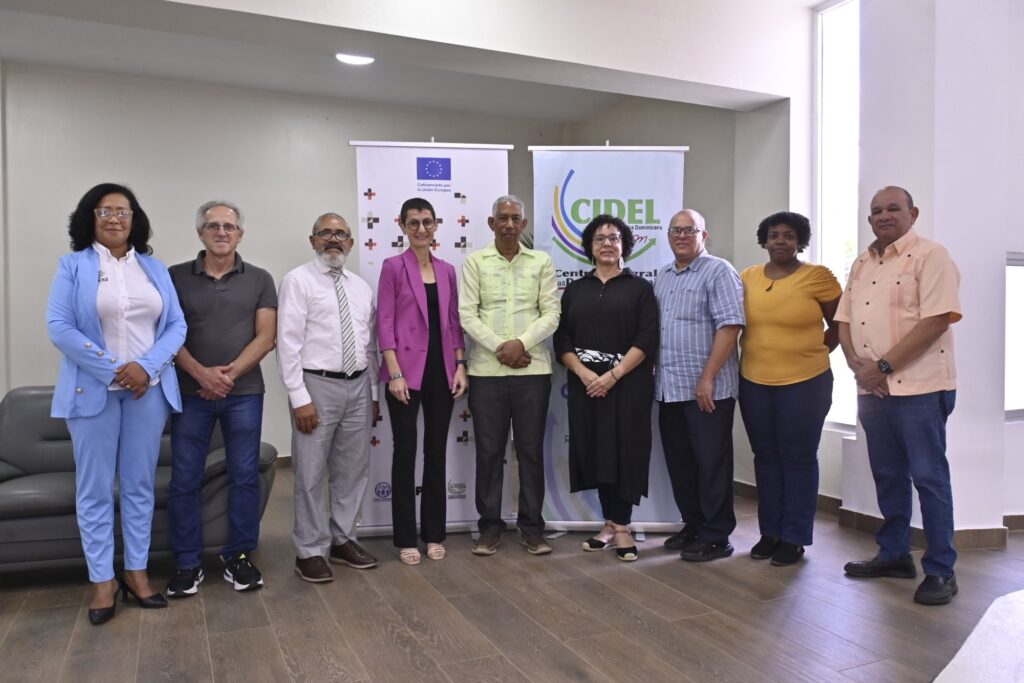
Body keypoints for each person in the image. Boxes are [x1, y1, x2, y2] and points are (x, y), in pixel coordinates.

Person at [46, 183, 186, 625]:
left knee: (140, 485)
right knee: (95, 490)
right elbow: (60, 327)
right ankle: (103, 581)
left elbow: (176, 325)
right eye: (104, 211)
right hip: (93, 394)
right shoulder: (73, 265)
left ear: (134, 219)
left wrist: (144, 367)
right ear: (90, 217)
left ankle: (137, 574)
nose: (113, 218)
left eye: (122, 212)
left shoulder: (154, 268)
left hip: (149, 392)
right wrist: (115, 369)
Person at [836, 186, 962, 605]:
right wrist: (859, 368)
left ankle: (942, 570)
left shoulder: (931, 255)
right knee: (888, 474)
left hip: (921, 387)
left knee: (929, 477)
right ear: (869, 220)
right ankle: (894, 554)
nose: (884, 215)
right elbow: (844, 320)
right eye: (876, 211)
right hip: (872, 390)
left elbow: (936, 321)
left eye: (893, 208)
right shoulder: (861, 262)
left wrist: (882, 367)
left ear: (913, 213)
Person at [166, 200, 277, 597]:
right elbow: (166, 336)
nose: (221, 232)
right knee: (184, 479)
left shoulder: (260, 278)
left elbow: (266, 337)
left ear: (240, 234)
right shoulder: (174, 277)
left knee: (245, 476)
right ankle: (187, 563)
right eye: (212, 226)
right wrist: (201, 374)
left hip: (243, 393)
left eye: (229, 226)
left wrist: (227, 375)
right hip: (189, 393)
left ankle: (239, 558)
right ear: (200, 233)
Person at [277, 212, 380, 582]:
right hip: (316, 386)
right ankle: (309, 549)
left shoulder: (361, 287)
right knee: (309, 472)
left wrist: (372, 391)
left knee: (353, 470)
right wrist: (298, 396)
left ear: (350, 243)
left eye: (341, 234)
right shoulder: (298, 281)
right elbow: (287, 343)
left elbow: (369, 347)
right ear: (313, 240)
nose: (333, 239)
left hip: (358, 385)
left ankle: (342, 539)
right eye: (325, 233)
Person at [737, 211, 842, 566]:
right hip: (754, 382)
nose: (780, 241)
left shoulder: (818, 277)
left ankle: (794, 537)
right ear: (763, 240)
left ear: (800, 241)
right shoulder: (748, 277)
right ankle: (771, 532)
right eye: (773, 235)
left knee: (797, 458)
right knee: (765, 457)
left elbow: (840, 323)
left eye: (788, 235)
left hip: (805, 383)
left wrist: (813, 352)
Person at [459, 194, 560, 556]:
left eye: (515, 218)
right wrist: (503, 348)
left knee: (530, 450)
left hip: (533, 370)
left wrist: (520, 343)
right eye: (502, 218)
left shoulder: (541, 262)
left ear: (524, 224)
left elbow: (551, 313)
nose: (509, 224)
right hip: (487, 371)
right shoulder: (475, 262)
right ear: (491, 223)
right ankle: (489, 527)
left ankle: (533, 527)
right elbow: (467, 315)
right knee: (488, 451)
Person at [554, 216, 658, 561]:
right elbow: (562, 338)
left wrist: (612, 376)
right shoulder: (576, 289)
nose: (607, 244)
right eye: (600, 239)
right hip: (586, 385)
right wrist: (585, 374)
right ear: (590, 247)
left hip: (628, 385)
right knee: (597, 451)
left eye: (614, 238)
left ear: (625, 244)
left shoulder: (639, 288)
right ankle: (609, 524)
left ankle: (623, 526)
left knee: (625, 451)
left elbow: (646, 338)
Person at [377, 197, 468, 566]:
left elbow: (453, 323)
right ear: (402, 226)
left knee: (436, 452)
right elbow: (383, 323)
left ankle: (434, 533)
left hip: (441, 370)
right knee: (405, 452)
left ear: (436, 225)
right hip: (404, 372)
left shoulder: (447, 270)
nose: (420, 229)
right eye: (413, 223)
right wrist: (394, 372)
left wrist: (460, 366)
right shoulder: (393, 267)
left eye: (427, 222)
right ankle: (404, 536)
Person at [655, 209, 745, 562]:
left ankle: (716, 535)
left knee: (711, 464)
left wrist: (707, 377)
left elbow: (730, 326)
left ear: (703, 236)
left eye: (689, 230)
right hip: (668, 388)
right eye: (675, 230)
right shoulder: (663, 276)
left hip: (707, 391)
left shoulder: (719, 271)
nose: (681, 235)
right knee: (681, 464)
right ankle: (693, 525)